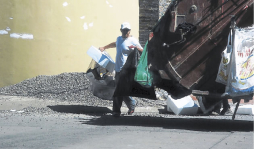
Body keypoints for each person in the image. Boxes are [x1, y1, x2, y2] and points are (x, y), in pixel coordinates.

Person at [99, 22, 143, 117]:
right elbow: (115, 44)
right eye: (124, 30)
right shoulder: (119, 39)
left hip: (127, 69)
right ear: (121, 30)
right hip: (118, 69)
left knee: (118, 90)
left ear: (130, 31)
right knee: (122, 89)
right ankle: (132, 103)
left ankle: (116, 111)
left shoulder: (133, 40)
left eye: (127, 30)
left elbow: (143, 51)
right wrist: (104, 47)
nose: (125, 32)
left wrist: (136, 48)